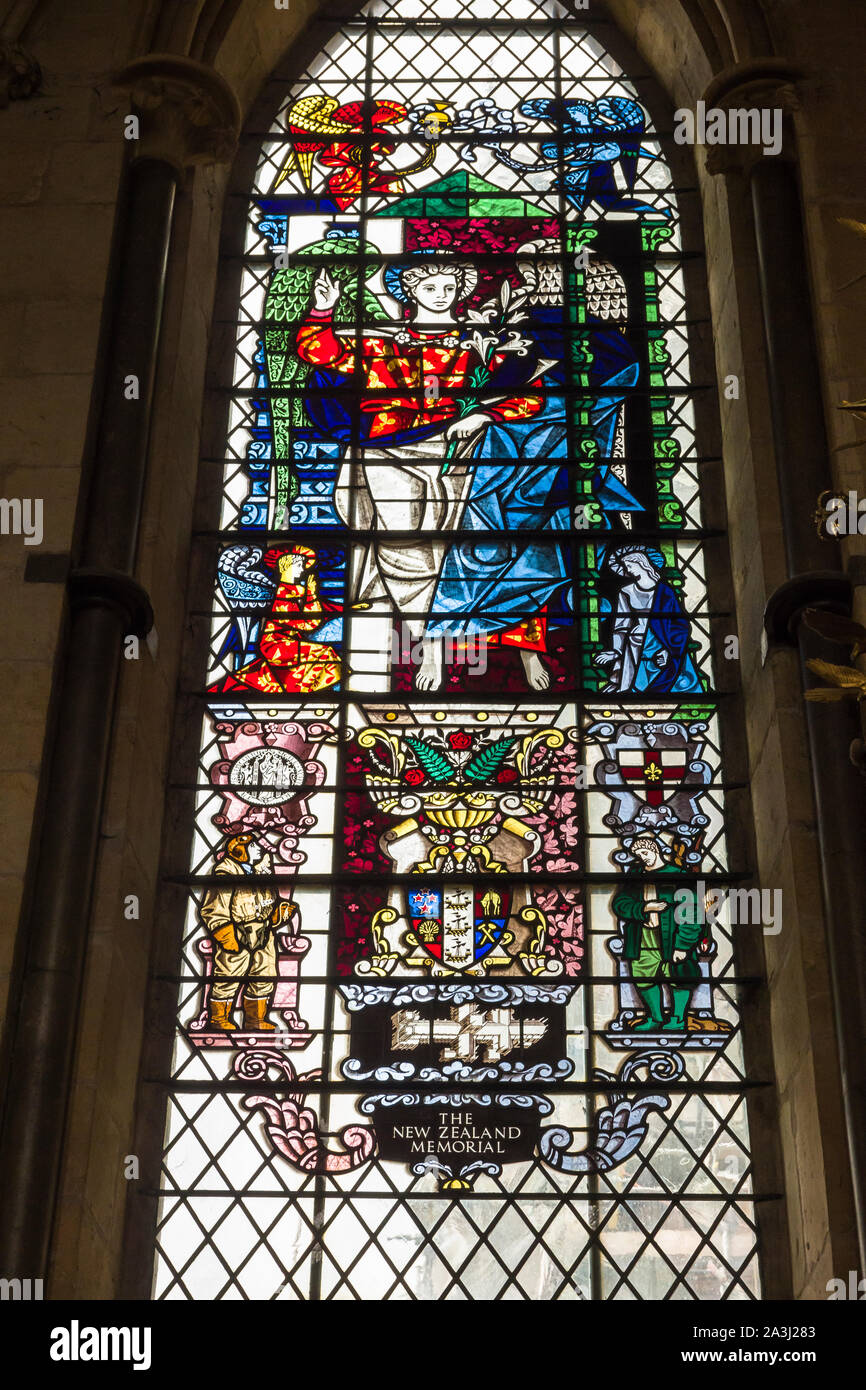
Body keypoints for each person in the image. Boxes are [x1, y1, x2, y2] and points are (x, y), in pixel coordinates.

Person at [295, 258, 545, 689]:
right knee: (406, 550)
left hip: (459, 448)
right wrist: (323, 310)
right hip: (386, 450)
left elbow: (530, 395)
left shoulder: (482, 344)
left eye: (449, 287)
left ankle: (525, 649)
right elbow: (320, 354)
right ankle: (430, 647)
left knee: (476, 550)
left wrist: (484, 415)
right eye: (430, 288)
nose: (441, 295)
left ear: (462, 291)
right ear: (411, 292)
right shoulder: (380, 345)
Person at [211, 544, 340, 695]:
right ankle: (303, 692)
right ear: (285, 565)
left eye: (303, 565)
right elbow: (309, 623)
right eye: (299, 565)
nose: (303, 569)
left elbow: (322, 609)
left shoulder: (299, 591)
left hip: (291, 642)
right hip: (275, 644)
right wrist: (312, 594)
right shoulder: (280, 593)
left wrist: (348, 607)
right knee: (326, 654)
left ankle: (303, 692)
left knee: (325, 656)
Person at [199, 833, 296, 1032]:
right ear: (241, 852)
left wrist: (277, 916)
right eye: (254, 847)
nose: (259, 849)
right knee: (228, 975)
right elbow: (214, 910)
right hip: (236, 933)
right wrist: (227, 937)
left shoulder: (260, 874)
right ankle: (219, 1019)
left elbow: (267, 903)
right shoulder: (225, 875)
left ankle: (255, 1019)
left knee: (265, 974)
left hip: (264, 933)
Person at [611, 834, 707, 1033]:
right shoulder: (635, 876)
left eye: (645, 852)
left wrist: (683, 945)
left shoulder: (678, 874)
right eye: (638, 855)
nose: (643, 857)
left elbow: (693, 912)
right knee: (642, 976)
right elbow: (620, 904)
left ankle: (678, 1019)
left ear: (655, 850)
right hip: (642, 936)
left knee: (677, 976)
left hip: (672, 936)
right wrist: (645, 907)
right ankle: (654, 1017)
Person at [595, 545, 702, 693]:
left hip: (662, 640)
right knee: (633, 687)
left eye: (630, 565)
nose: (628, 569)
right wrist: (616, 651)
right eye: (625, 566)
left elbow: (679, 624)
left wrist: (668, 650)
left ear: (642, 563)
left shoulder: (664, 591)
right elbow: (621, 625)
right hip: (634, 643)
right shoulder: (626, 591)